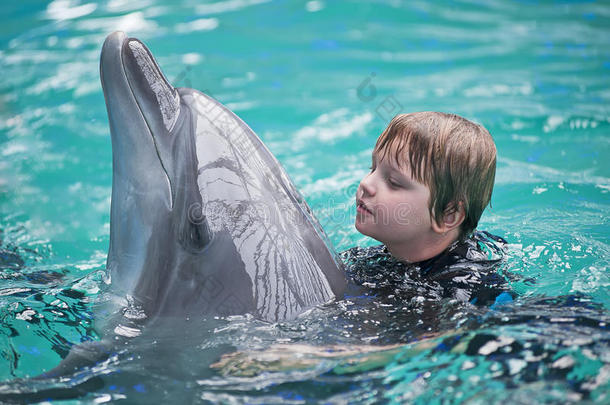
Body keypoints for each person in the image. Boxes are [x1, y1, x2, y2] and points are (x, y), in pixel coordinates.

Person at [343, 111, 512, 307]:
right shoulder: (376, 258)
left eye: (394, 182)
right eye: (372, 168)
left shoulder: (461, 291)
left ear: (447, 215)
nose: (366, 184)